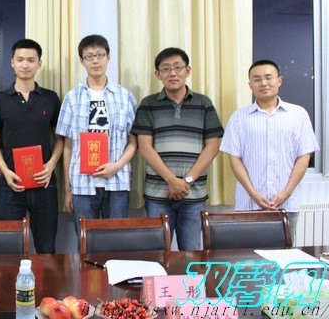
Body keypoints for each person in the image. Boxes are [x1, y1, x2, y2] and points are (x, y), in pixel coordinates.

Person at [131, 47, 223, 251]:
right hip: (157, 195)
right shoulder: (148, 104)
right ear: (158, 74)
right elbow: (145, 147)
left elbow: (212, 146)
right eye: (166, 69)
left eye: (178, 67)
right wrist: (172, 181)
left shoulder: (204, 103)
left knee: (191, 254)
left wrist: (186, 181)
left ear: (187, 70)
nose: (172, 73)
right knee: (157, 253)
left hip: (193, 194)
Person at [220, 59, 318, 237]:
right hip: (248, 204)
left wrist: (286, 192)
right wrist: (253, 194)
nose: (263, 83)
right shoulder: (239, 117)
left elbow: (304, 156)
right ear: (250, 85)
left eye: (268, 77)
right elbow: (234, 158)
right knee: (247, 253)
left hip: (286, 204)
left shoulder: (298, 114)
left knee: (284, 252)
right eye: (257, 79)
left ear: (279, 81)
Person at [56, 35, 138, 236]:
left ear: (108, 57)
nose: (95, 61)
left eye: (100, 55)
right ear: (81, 61)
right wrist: (67, 189)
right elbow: (67, 145)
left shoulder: (125, 96)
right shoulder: (72, 97)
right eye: (89, 56)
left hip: (117, 183)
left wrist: (116, 166)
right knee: (86, 243)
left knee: (116, 242)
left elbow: (134, 142)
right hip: (82, 185)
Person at [0, 39, 63, 253]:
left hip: (44, 183)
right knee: (8, 249)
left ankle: (44, 279)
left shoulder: (50, 98)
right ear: (12, 62)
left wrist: (51, 165)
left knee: (46, 249)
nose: (25, 65)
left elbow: (60, 139)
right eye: (20, 60)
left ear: (39, 63)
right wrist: (5, 170)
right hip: (11, 184)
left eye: (31, 60)